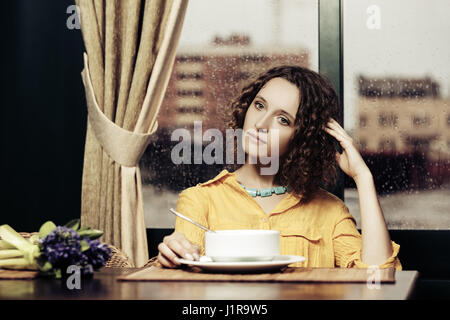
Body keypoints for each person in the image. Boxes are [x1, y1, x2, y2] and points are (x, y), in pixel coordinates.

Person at [156, 65, 401, 270]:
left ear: (302, 137)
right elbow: (185, 279)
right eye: (260, 106)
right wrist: (172, 256)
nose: (260, 124)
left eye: (283, 119)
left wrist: (363, 178)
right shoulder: (199, 200)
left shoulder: (331, 212)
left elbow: (379, 279)